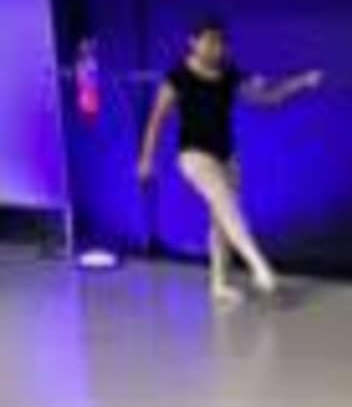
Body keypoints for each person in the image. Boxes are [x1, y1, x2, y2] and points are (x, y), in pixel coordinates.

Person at [136, 22, 324, 307]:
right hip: (194, 156)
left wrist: (302, 82)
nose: (216, 48)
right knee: (225, 204)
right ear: (193, 42)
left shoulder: (228, 73)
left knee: (222, 222)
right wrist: (147, 159)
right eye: (210, 41)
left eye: (221, 42)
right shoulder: (178, 77)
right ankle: (259, 266)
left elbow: (266, 99)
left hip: (226, 156)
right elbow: (157, 119)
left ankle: (219, 284)